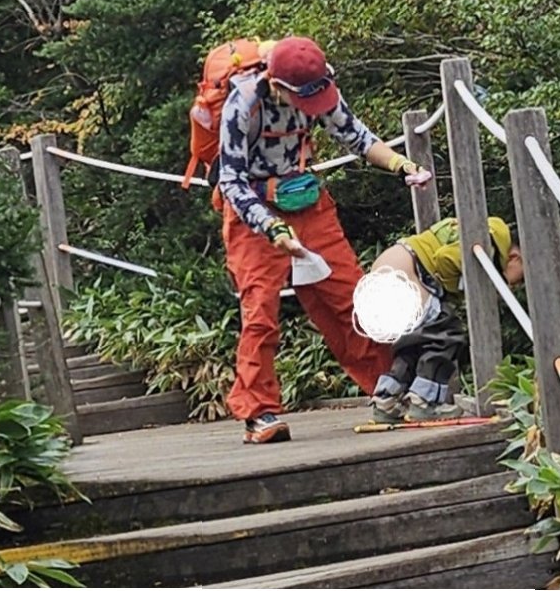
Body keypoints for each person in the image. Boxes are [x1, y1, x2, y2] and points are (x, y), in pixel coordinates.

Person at [217, 35, 429, 444]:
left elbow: (357, 136)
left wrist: (400, 164)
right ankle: (258, 412)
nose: (312, 106)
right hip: (253, 213)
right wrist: (273, 229)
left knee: (352, 298)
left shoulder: (320, 86)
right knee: (260, 310)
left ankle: (388, 390)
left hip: (307, 201)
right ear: (277, 84)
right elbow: (231, 180)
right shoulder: (243, 102)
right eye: (303, 98)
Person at [367, 216, 524, 423]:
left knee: (415, 344)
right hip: (408, 272)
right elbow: (445, 259)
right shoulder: (489, 242)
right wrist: (454, 291)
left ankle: (386, 399)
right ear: (515, 258)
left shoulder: (481, 229)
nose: (516, 285)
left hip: (386, 269)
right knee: (446, 335)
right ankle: (425, 401)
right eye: (521, 278)